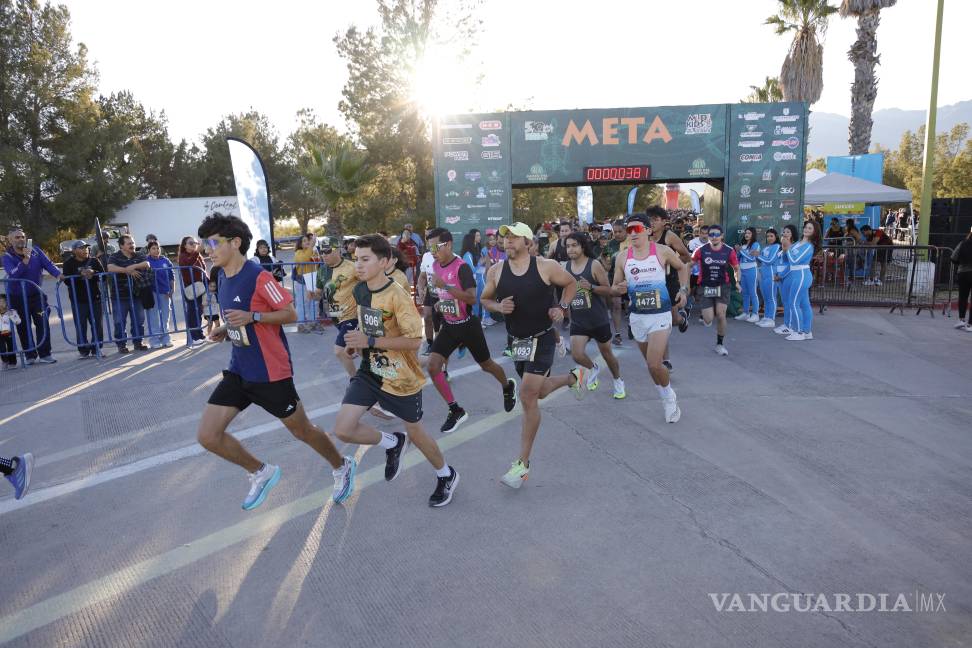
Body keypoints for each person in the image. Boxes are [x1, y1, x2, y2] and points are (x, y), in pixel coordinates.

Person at [195, 213, 355, 510]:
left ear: (235, 243)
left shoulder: (259, 276)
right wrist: (225, 328)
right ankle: (260, 471)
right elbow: (240, 319)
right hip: (239, 369)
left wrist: (253, 316)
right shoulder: (222, 276)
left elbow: (291, 314)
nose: (207, 250)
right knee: (208, 436)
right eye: (205, 244)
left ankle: (341, 465)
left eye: (213, 243)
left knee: (302, 430)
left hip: (270, 372)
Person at [334, 234, 459, 507]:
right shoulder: (360, 290)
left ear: (384, 262)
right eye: (356, 259)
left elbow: (414, 342)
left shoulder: (398, 296)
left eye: (365, 259)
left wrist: (370, 341)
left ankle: (446, 474)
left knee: (417, 434)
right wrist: (356, 344)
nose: (358, 265)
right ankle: (392, 443)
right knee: (343, 429)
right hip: (370, 371)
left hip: (401, 378)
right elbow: (368, 324)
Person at [481, 222, 583, 489]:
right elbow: (484, 299)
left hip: (543, 337)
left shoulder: (546, 266)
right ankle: (573, 378)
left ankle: (522, 465)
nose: (508, 241)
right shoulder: (495, 270)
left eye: (515, 237)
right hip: (517, 341)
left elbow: (571, 283)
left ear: (528, 243)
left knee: (527, 395)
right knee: (539, 391)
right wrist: (498, 307)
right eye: (506, 237)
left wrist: (562, 307)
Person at [424, 228, 517, 433]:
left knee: (487, 365)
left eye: (435, 247)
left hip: (468, 326)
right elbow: (445, 296)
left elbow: (471, 298)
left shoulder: (462, 267)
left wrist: (446, 287)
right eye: (429, 247)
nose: (432, 251)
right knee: (432, 366)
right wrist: (440, 303)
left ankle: (507, 386)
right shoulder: (436, 266)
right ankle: (455, 410)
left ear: (448, 244)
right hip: (450, 326)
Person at [612, 213, 689, 423]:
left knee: (655, 363)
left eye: (637, 229)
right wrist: (620, 288)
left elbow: (683, 267)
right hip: (637, 317)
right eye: (629, 230)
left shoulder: (662, 251)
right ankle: (665, 393)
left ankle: (668, 397)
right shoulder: (622, 257)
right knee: (650, 365)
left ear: (647, 230)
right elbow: (614, 287)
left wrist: (683, 290)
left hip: (660, 314)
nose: (632, 233)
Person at [563, 232, 625, 399]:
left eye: (574, 245)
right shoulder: (565, 267)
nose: (570, 249)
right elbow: (565, 291)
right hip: (579, 320)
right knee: (577, 354)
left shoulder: (594, 265)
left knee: (607, 354)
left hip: (598, 319)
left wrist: (591, 287)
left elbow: (608, 290)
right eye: (568, 246)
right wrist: (562, 307)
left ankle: (618, 380)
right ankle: (593, 368)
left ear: (583, 246)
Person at [2, 228, 61, 364]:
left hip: (36, 294)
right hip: (17, 297)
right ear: (10, 241)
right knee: (23, 327)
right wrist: (25, 260)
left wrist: (58, 274)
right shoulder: (7, 257)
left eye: (22, 237)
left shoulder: (36, 251)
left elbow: (48, 264)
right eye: (17, 237)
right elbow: (14, 274)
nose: (21, 239)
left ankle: (45, 354)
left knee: (42, 322)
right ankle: (30, 355)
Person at [647, 207, 691, 371]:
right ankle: (665, 360)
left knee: (672, 319)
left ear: (664, 221)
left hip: (669, 281)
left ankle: (681, 318)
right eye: (650, 219)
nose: (652, 223)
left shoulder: (669, 236)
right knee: (660, 322)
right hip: (652, 282)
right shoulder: (645, 236)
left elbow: (686, 256)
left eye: (655, 219)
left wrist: (672, 262)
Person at [311, 242, 359, 378]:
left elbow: (368, 284)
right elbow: (319, 294)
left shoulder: (352, 267)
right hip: (336, 317)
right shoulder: (322, 270)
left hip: (352, 316)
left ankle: (356, 380)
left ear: (337, 250)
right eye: (321, 252)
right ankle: (373, 377)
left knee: (339, 351)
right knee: (359, 349)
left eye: (327, 251)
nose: (324, 255)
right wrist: (313, 296)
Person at [692, 224, 741, 356]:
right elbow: (689, 264)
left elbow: (736, 268)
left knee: (721, 314)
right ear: (708, 236)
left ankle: (720, 344)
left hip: (723, 286)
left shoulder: (729, 251)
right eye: (711, 235)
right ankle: (707, 313)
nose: (714, 237)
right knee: (708, 319)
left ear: (722, 236)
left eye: (717, 234)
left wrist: (737, 282)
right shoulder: (700, 250)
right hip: (705, 286)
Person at [61, 241, 106, 358]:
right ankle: (83, 350)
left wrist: (93, 272)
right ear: (74, 251)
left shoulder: (94, 261)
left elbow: (104, 276)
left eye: (86, 248)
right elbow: (67, 281)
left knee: (97, 325)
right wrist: (79, 274)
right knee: (81, 326)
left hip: (95, 298)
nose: (85, 250)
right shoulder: (68, 263)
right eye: (81, 248)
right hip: (78, 300)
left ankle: (97, 348)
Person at [106, 234, 150, 353]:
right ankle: (121, 345)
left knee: (139, 320)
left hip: (137, 294)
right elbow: (110, 268)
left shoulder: (139, 254)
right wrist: (126, 271)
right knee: (119, 321)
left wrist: (133, 266)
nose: (132, 245)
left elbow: (146, 264)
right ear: (121, 246)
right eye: (129, 243)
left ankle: (138, 342)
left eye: (133, 243)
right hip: (119, 296)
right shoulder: (114, 256)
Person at [781, 220, 820, 341]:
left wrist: (787, 248)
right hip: (796, 275)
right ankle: (807, 332)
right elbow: (786, 259)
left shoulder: (808, 246)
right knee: (804, 304)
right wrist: (785, 248)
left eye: (810, 228)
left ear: (814, 232)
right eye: (806, 227)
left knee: (794, 303)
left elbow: (794, 260)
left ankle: (799, 332)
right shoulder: (798, 243)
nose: (806, 230)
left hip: (802, 275)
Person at [145, 241, 175, 348]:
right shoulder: (146, 261)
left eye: (158, 248)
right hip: (152, 292)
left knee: (165, 316)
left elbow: (171, 275)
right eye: (153, 248)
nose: (156, 250)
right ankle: (154, 340)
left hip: (165, 292)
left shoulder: (165, 260)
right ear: (149, 250)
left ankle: (166, 338)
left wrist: (172, 288)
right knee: (153, 317)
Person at [179, 236, 208, 345]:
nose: (194, 245)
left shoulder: (198, 255)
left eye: (195, 243)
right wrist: (197, 251)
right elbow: (189, 263)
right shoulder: (183, 256)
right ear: (185, 245)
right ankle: (194, 337)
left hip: (200, 287)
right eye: (191, 243)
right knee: (193, 312)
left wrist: (209, 282)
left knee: (199, 312)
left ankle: (199, 334)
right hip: (190, 288)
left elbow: (203, 271)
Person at [292, 233, 321, 333]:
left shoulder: (313, 251)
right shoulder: (298, 253)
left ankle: (313, 322)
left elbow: (317, 263)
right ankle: (301, 324)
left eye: (308, 240)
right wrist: (311, 246)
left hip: (312, 279)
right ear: (300, 244)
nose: (307, 242)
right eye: (304, 241)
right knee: (302, 303)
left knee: (314, 302)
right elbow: (304, 259)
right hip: (302, 281)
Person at [734, 227, 761, 323]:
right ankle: (746, 313)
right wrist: (738, 251)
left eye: (749, 233)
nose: (746, 234)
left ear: (753, 234)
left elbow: (751, 258)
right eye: (746, 233)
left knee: (753, 292)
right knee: (745, 293)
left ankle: (755, 314)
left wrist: (740, 250)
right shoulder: (743, 245)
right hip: (742, 271)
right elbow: (738, 258)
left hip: (751, 270)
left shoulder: (755, 244)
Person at [774, 225, 797, 336]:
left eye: (788, 232)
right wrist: (776, 274)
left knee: (789, 302)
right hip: (780, 278)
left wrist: (781, 276)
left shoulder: (793, 247)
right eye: (784, 232)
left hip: (788, 277)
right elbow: (778, 263)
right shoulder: (781, 247)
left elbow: (791, 265)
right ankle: (786, 324)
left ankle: (790, 326)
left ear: (792, 234)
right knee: (785, 302)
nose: (785, 233)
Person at [417, 240, 439, 354]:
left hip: (444, 293)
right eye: (429, 244)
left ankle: (440, 346)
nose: (431, 246)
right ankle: (430, 344)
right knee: (427, 317)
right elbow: (422, 276)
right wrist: (420, 290)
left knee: (439, 321)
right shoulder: (426, 256)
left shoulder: (453, 257)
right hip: (431, 292)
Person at [756, 229, 781, 328]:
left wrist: (758, 255)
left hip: (771, 275)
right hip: (763, 275)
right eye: (768, 236)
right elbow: (761, 260)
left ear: (776, 237)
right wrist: (755, 255)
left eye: (771, 236)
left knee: (771, 297)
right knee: (766, 298)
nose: (769, 238)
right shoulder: (766, 247)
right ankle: (766, 317)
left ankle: (771, 319)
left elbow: (770, 260)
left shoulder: (777, 246)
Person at [951, 225, 972, 331]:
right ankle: (970, 325)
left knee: (963, 297)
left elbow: (953, 258)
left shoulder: (962, 243)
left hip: (963, 273)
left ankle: (961, 320)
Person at [0, 295, 22, 368]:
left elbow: (18, 322)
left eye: (3, 302)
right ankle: (5, 360)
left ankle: (12, 361)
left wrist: (12, 315)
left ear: (7, 303)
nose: (1, 304)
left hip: (9, 332)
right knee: (1, 347)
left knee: (11, 346)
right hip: (0, 333)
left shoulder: (11, 311)